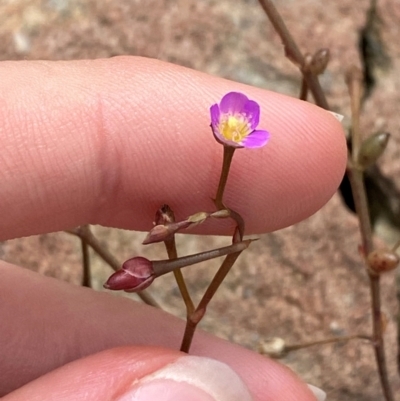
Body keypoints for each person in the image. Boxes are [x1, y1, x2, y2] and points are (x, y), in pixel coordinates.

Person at [0, 56, 346, 400]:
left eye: (239, 129)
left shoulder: (239, 147)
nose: (234, 129)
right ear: (218, 123)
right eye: (228, 125)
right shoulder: (224, 141)